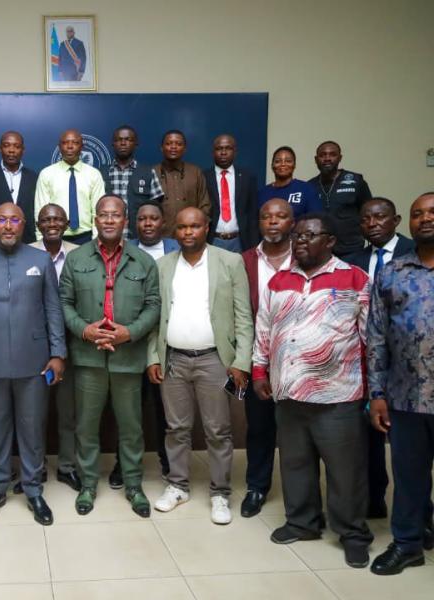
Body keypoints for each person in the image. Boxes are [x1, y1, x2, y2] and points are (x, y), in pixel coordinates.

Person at [253, 212, 373, 568]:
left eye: (309, 236)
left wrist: (374, 389)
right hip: (288, 392)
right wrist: (260, 371)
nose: (300, 242)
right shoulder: (278, 280)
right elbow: (265, 328)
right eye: (297, 237)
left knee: (345, 470)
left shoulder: (354, 278)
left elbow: (371, 338)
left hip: (337, 394)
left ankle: (352, 533)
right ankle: (302, 522)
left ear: (330, 241)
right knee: (294, 463)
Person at [0, 203, 66, 526]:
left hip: (34, 360)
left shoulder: (39, 260)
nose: (8, 226)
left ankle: (34, 490)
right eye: (2, 220)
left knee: (33, 428)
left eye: (14, 220)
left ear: (24, 225)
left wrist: (58, 353)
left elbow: (53, 309)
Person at [147, 207, 253, 525]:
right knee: (176, 428)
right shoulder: (163, 265)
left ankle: (220, 493)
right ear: (174, 231)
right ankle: (177, 485)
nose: (188, 232)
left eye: (194, 226)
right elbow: (155, 318)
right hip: (174, 359)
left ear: (207, 228)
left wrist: (241, 361)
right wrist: (153, 356)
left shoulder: (229, 262)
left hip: (214, 359)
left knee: (218, 430)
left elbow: (243, 317)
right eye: (182, 227)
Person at [61, 195, 161, 518]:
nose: (108, 220)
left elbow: (154, 305)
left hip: (127, 357)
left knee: (131, 427)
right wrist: (85, 331)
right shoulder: (76, 259)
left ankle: (133, 484)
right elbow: (63, 303)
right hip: (88, 358)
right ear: (94, 219)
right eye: (102, 215)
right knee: (87, 427)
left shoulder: (143, 262)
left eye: (115, 215)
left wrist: (129, 332)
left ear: (125, 220)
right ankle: (88, 483)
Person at [367, 192, 434, 575]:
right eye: (417, 214)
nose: (424, 219)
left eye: (431, 212)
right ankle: (408, 542)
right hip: (406, 395)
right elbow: (377, 334)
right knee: (409, 476)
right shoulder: (394, 271)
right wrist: (377, 393)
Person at [344, 197, 415, 519]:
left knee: (410, 446)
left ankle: (417, 515)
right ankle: (374, 501)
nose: (372, 224)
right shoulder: (353, 260)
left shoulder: (416, 254)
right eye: (366, 219)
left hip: (409, 363)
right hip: (365, 358)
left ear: (396, 220)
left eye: (380, 217)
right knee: (368, 436)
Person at [106, 200, 178, 487]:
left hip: (167, 342)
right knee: (128, 410)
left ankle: (168, 463)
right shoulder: (123, 250)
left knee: (165, 410)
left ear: (163, 222)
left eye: (154, 218)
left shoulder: (176, 248)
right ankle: (123, 464)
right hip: (131, 342)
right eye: (142, 219)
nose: (148, 223)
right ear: (133, 223)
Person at [239, 199, 295, 517]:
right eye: (266, 217)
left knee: (299, 432)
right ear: (258, 223)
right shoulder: (245, 261)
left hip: (301, 363)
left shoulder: (307, 258)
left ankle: (301, 494)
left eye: (281, 217)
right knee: (259, 428)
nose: (273, 222)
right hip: (257, 360)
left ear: (293, 222)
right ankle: (257, 487)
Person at [29, 204, 81, 491]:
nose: (52, 223)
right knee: (33, 412)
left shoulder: (79, 253)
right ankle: (34, 468)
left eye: (58, 218)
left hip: (70, 345)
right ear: (38, 224)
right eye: (46, 219)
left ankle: (66, 466)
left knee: (67, 409)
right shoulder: (26, 252)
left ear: (67, 222)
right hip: (33, 345)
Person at [35, 129, 105, 245]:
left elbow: (98, 212)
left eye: (75, 143)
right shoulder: (46, 174)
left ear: (82, 147)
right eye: (65, 143)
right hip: (55, 237)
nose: (70, 146)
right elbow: (41, 211)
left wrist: (96, 240)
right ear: (59, 146)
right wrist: (40, 241)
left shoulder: (94, 174)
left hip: (86, 238)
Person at [309, 141, 373, 256]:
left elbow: (368, 213)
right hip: (321, 252)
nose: (327, 158)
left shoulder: (356, 181)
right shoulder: (310, 186)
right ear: (316, 159)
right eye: (322, 155)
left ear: (340, 158)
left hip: (352, 250)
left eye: (332, 154)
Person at [101, 125, 164, 238]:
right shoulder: (100, 173)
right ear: (113, 144)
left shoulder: (148, 172)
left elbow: (155, 208)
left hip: (139, 238)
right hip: (108, 238)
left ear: (136, 144)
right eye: (119, 140)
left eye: (128, 140)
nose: (123, 143)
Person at [203, 134, 259, 252]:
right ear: (213, 152)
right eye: (219, 149)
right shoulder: (203, 177)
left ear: (235, 151)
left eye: (228, 148)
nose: (223, 152)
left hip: (240, 240)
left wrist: (254, 245)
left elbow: (253, 213)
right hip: (212, 240)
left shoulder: (247, 177)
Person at [153, 130, 211, 237]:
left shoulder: (195, 172)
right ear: (161, 148)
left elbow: (205, 206)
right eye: (169, 143)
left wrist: (196, 230)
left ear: (185, 149)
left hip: (191, 237)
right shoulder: (152, 173)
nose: (173, 147)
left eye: (178, 144)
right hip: (161, 239)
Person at [257, 146, 321, 217]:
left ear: (294, 165)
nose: (283, 164)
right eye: (278, 161)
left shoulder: (307, 189)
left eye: (288, 161)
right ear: (272, 166)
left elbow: (316, 219)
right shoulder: (262, 193)